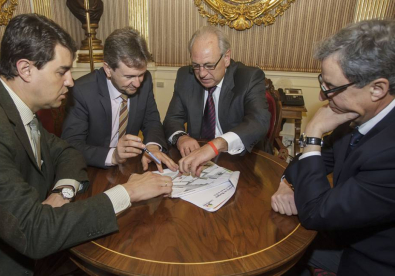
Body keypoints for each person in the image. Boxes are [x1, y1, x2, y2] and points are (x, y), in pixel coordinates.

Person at [0, 13, 172, 276]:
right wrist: (127, 193)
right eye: (62, 71)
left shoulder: (14, 109)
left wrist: (64, 191)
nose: (70, 81)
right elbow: (35, 233)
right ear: (25, 69)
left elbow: (66, 151)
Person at [271, 19, 395, 275]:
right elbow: (311, 162)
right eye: (322, 82)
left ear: (377, 89)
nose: (322, 96)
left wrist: (313, 133)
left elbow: (316, 212)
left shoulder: (390, 154)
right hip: (342, 231)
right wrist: (286, 182)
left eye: (331, 87)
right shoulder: (355, 113)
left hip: (372, 258)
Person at [62, 27, 178, 172]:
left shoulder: (145, 80)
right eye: (129, 77)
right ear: (108, 69)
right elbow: (72, 145)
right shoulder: (82, 91)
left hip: (129, 166)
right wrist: (113, 156)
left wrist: (152, 146)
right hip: (94, 169)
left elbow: (151, 120)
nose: (137, 83)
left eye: (140, 74)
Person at [163, 26, 270, 176]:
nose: (202, 73)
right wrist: (181, 137)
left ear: (226, 58)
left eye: (209, 65)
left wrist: (216, 145)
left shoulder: (248, 78)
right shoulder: (185, 77)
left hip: (243, 162)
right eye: (196, 66)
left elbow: (258, 122)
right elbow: (172, 119)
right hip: (198, 163)